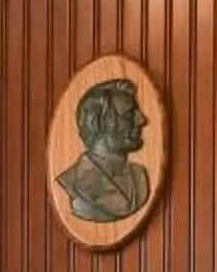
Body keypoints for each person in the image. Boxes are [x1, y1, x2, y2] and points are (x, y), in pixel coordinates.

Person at [55, 75, 151, 223]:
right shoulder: (74, 182)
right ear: (97, 123)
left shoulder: (139, 177)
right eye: (129, 114)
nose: (142, 120)